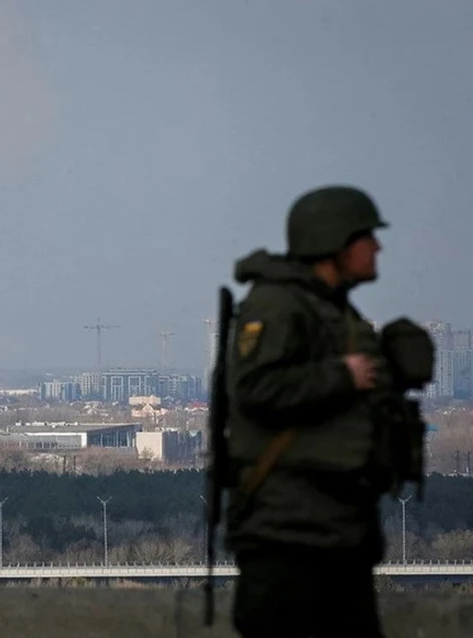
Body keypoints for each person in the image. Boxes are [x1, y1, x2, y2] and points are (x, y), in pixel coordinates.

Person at [223, 185, 399, 638]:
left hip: (334, 530)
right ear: (335, 243)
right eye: (367, 238)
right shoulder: (278, 304)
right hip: (288, 535)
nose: (377, 248)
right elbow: (255, 387)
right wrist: (342, 376)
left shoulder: (330, 309)